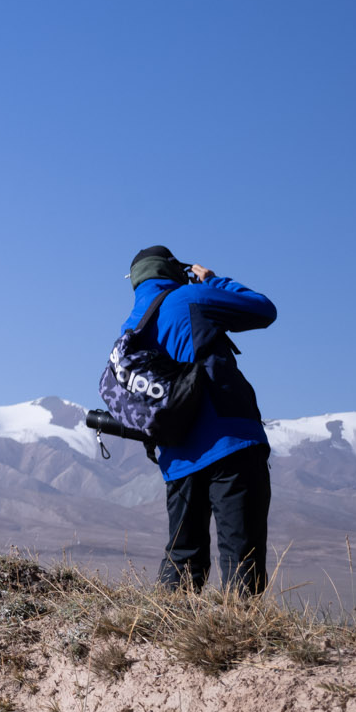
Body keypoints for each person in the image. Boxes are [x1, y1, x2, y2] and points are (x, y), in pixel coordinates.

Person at [122, 245, 277, 594]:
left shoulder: (131, 328)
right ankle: (240, 639)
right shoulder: (190, 297)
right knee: (241, 556)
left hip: (176, 456)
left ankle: (168, 634)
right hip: (229, 442)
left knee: (183, 556)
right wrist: (214, 280)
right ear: (172, 270)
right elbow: (264, 310)